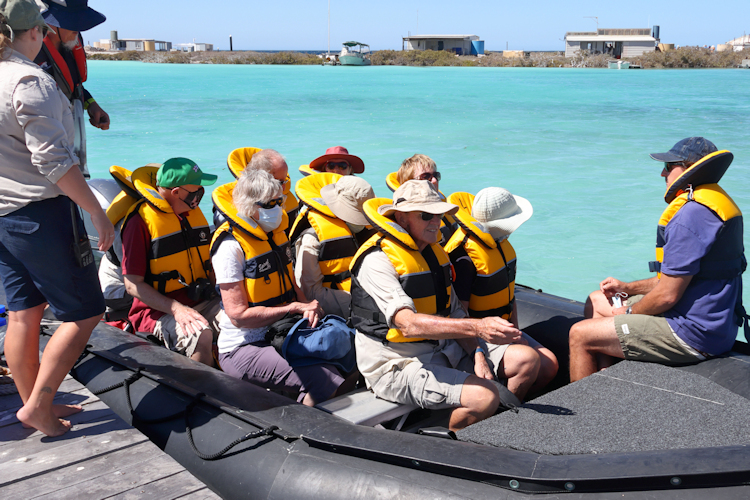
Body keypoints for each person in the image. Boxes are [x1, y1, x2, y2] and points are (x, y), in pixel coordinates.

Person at [0, 0, 114, 437]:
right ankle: (39, 406)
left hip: (5, 213)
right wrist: (96, 212)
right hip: (42, 213)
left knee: (23, 312)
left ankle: (35, 401)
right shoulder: (29, 80)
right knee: (85, 312)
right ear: (36, 33)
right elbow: (55, 164)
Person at [350, 180, 542, 431]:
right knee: (484, 396)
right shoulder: (376, 261)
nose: (436, 222)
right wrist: (478, 328)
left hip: (443, 348)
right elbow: (407, 325)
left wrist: (478, 354)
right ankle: (446, 445)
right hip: (396, 364)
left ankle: (495, 430)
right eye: (426, 215)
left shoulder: (434, 253)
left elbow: (454, 312)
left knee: (527, 359)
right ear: (400, 217)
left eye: (439, 215)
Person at [569, 137, 745, 382]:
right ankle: (605, 381)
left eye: (669, 166)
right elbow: (679, 279)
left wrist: (628, 312)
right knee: (598, 300)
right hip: (715, 324)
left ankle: (584, 415)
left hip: (693, 332)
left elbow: (667, 295)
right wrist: (627, 288)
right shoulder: (713, 202)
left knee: (579, 334)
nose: (663, 173)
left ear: (689, 167)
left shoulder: (690, 215)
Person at [211, 169, 355, 405]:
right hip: (244, 345)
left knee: (349, 357)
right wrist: (292, 308)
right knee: (325, 379)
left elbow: (292, 285)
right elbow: (238, 316)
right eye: (270, 204)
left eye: (280, 201)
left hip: (283, 331)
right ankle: (306, 433)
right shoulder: (230, 246)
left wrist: (307, 306)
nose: (278, 208)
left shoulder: (275, 236)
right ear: (249, 207)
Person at [446, 187, 558, 394]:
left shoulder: (499, 244)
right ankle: (504, 412)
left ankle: (517, 403)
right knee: (530, 361)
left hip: (503, 328)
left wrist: (515, 331)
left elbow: (509, 295)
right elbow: (459, 315)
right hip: (477, 335)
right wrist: (480, 349)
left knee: (549, 365)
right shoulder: (463, 257)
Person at [120, 158, 220, 367]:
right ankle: (204, 395)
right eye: (196, 191)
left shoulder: (192, 215)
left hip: (200, 299)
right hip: (157, 311)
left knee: (238, 320)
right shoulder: (139, 222)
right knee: (200, 334)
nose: (200, 195)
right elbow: (132, 284)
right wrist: (176, 309)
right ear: (176, 192)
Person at [36, 0, 109, 177]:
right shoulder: (32, 53)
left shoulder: (70, 43)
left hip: (72, 141)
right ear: (50, 23)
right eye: (73, 25)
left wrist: (90, 103)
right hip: (48, 152)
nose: (78, 30)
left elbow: (73, 84)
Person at [290, 174, 376, 317]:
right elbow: (309, 292)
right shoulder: (312, 238)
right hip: (342, 309)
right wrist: (361, 304)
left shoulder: (368, 230)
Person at [389, 154, 456, 244]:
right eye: (425, 177)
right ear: (409, 182)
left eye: (436, 175)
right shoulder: (404, 212)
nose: (434, 180)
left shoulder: (444, 205)